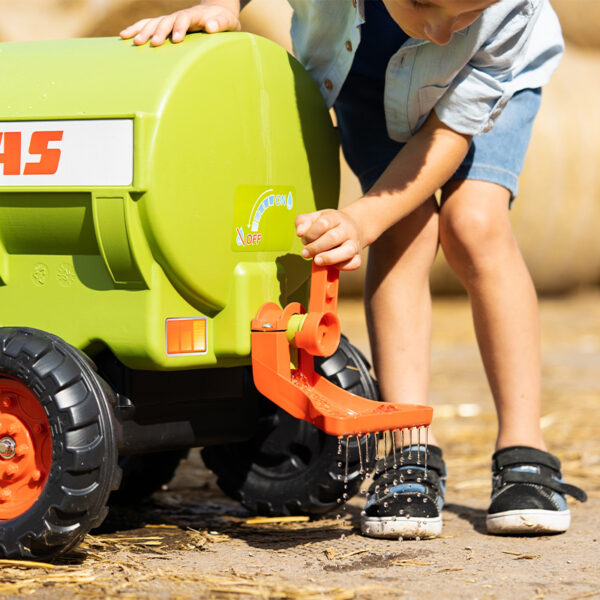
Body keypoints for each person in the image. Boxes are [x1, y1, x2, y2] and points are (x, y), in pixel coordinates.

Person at [121, 0, 587, 539]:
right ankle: (407, 446)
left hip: (481, 80)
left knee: (473, 223)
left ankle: (524, 447)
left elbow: (450, 133)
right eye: (424, 7)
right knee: (406, 228)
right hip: (363, 74)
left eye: (463, 17)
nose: (440, 33)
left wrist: (363, 219)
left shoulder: (508, 15)